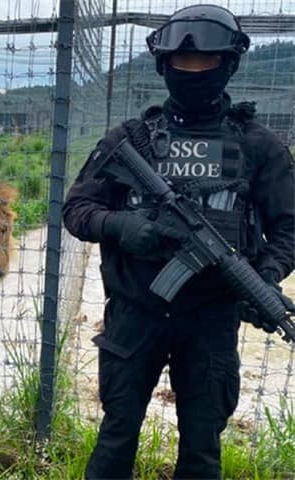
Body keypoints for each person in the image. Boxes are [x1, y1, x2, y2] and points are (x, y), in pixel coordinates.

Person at [63, 5, 295, 478]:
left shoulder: (258, 146)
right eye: (182, 64)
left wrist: (265, 278)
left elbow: (289, 230)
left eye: (205, 63)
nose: (193, 72)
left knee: (202, 449)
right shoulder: (129, 141)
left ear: (228, 65)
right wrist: (122, 227)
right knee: (116, 435)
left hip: (211, 319)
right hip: (134, 314)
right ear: (163, 66)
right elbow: (76, 210)